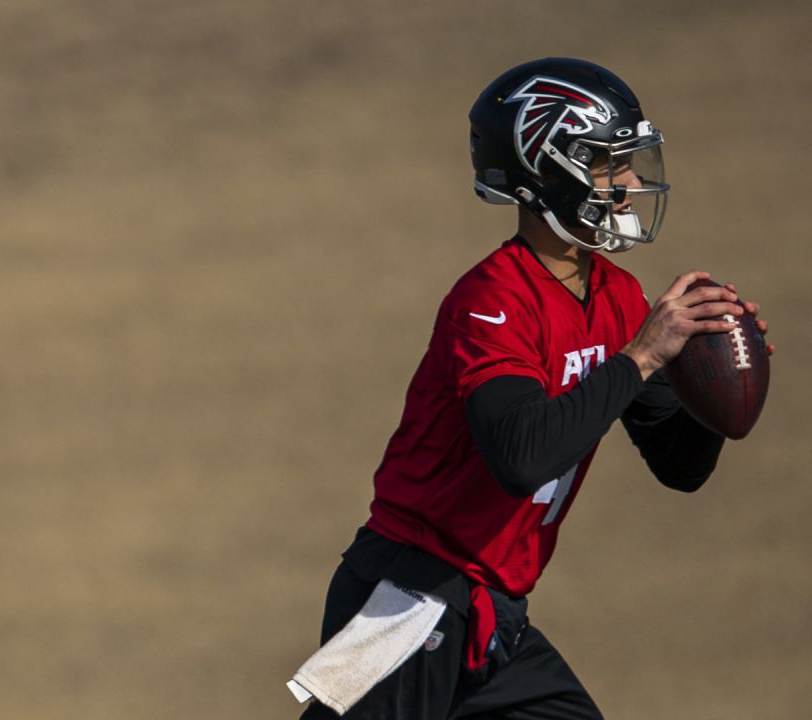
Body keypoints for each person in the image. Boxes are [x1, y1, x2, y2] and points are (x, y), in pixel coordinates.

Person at [297, 57, 773, 719]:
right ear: (548, 170)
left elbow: (681, 466)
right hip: (411, 596)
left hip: (494, 615)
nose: (632, 182)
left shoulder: (615, 296)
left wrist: (717, 386)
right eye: (611, 163)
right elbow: (520, 457)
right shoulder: (491, 301)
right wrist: (638, 357)